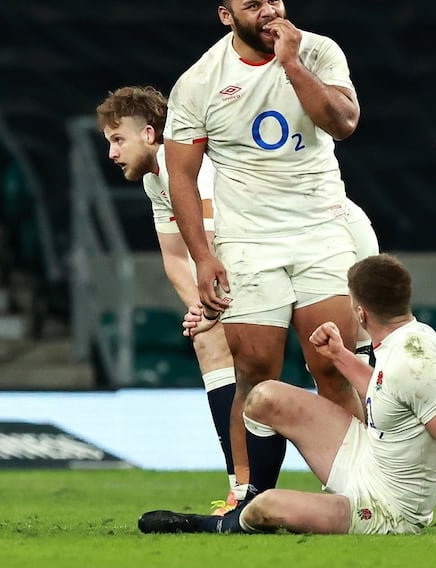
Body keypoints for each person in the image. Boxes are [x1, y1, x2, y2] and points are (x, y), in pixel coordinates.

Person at [138, 254, 436, 535]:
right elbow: (390, 393)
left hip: (388, 510)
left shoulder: (414, 359)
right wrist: (340, 356)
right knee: (265, 397)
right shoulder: (404, 341)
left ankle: (225, 524)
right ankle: (249, 495)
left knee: (267, 510)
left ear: (361, 312)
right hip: (369, 457)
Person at [163, 0, 366, 507]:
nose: (269, 10)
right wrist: (204, 256)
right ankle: (248, 495)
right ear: (226, 16)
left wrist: (292, 64)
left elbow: (343, 123)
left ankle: (366, 490)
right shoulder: (198, 82)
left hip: (321, 229)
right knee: (253, 370)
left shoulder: (317, 51)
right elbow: (181, 178)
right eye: (253, 4)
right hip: (249, 242)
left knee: (334, 364)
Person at [95, 85, 242, 514]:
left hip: (287, 252)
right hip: (238, 274)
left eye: (117, 139)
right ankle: (241, 488)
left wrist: (210, 304)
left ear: (149, 133)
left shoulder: (189, 163)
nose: (112, 153)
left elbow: (215, 238)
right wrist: (202, 307)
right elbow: (176, 258)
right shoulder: (155, 182)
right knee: (208, 340)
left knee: (332, 365)